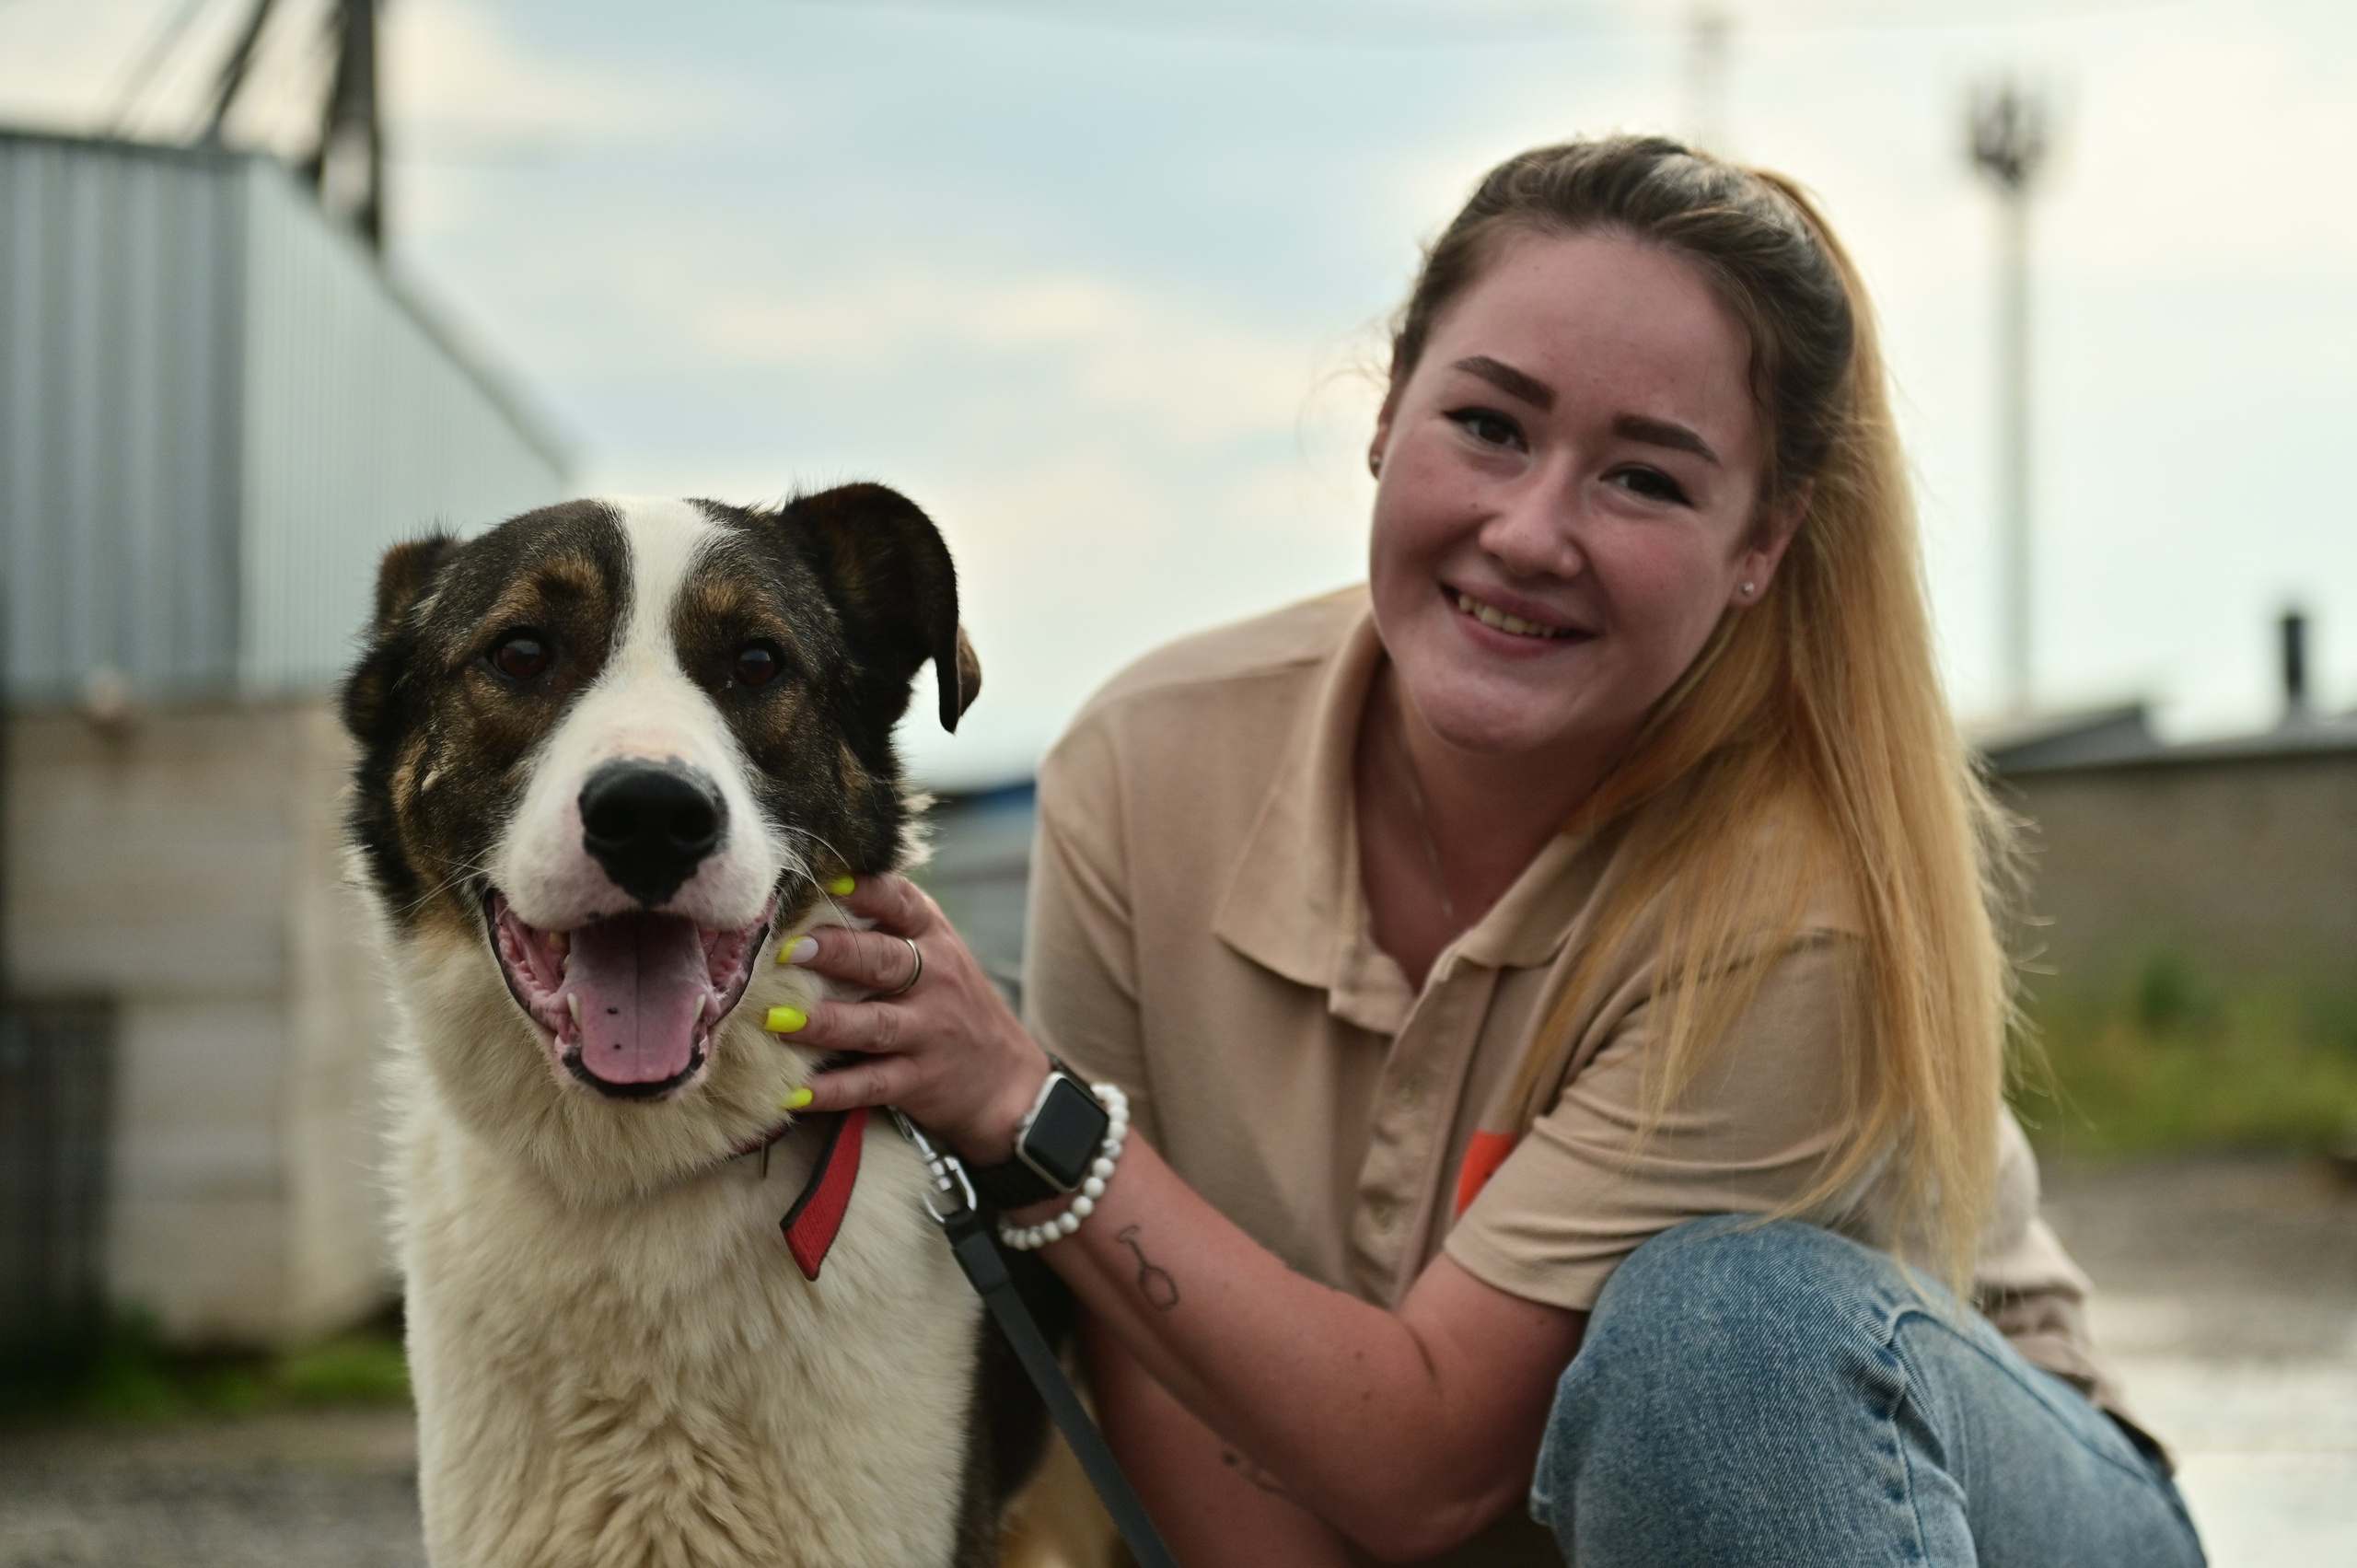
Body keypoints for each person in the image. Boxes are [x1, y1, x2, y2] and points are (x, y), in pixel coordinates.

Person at [774, 136, 2206, 1566]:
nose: (1530, 533)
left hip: (1963, 1511)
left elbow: (1427, 1466)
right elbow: (1153, 1340)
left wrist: (1028, 1106)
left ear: (1762, 542)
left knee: (1725, 1339)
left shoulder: (1800, 915)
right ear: (1389, 408)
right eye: (1490, 426)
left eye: (1644, 480)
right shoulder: (1145, 770)